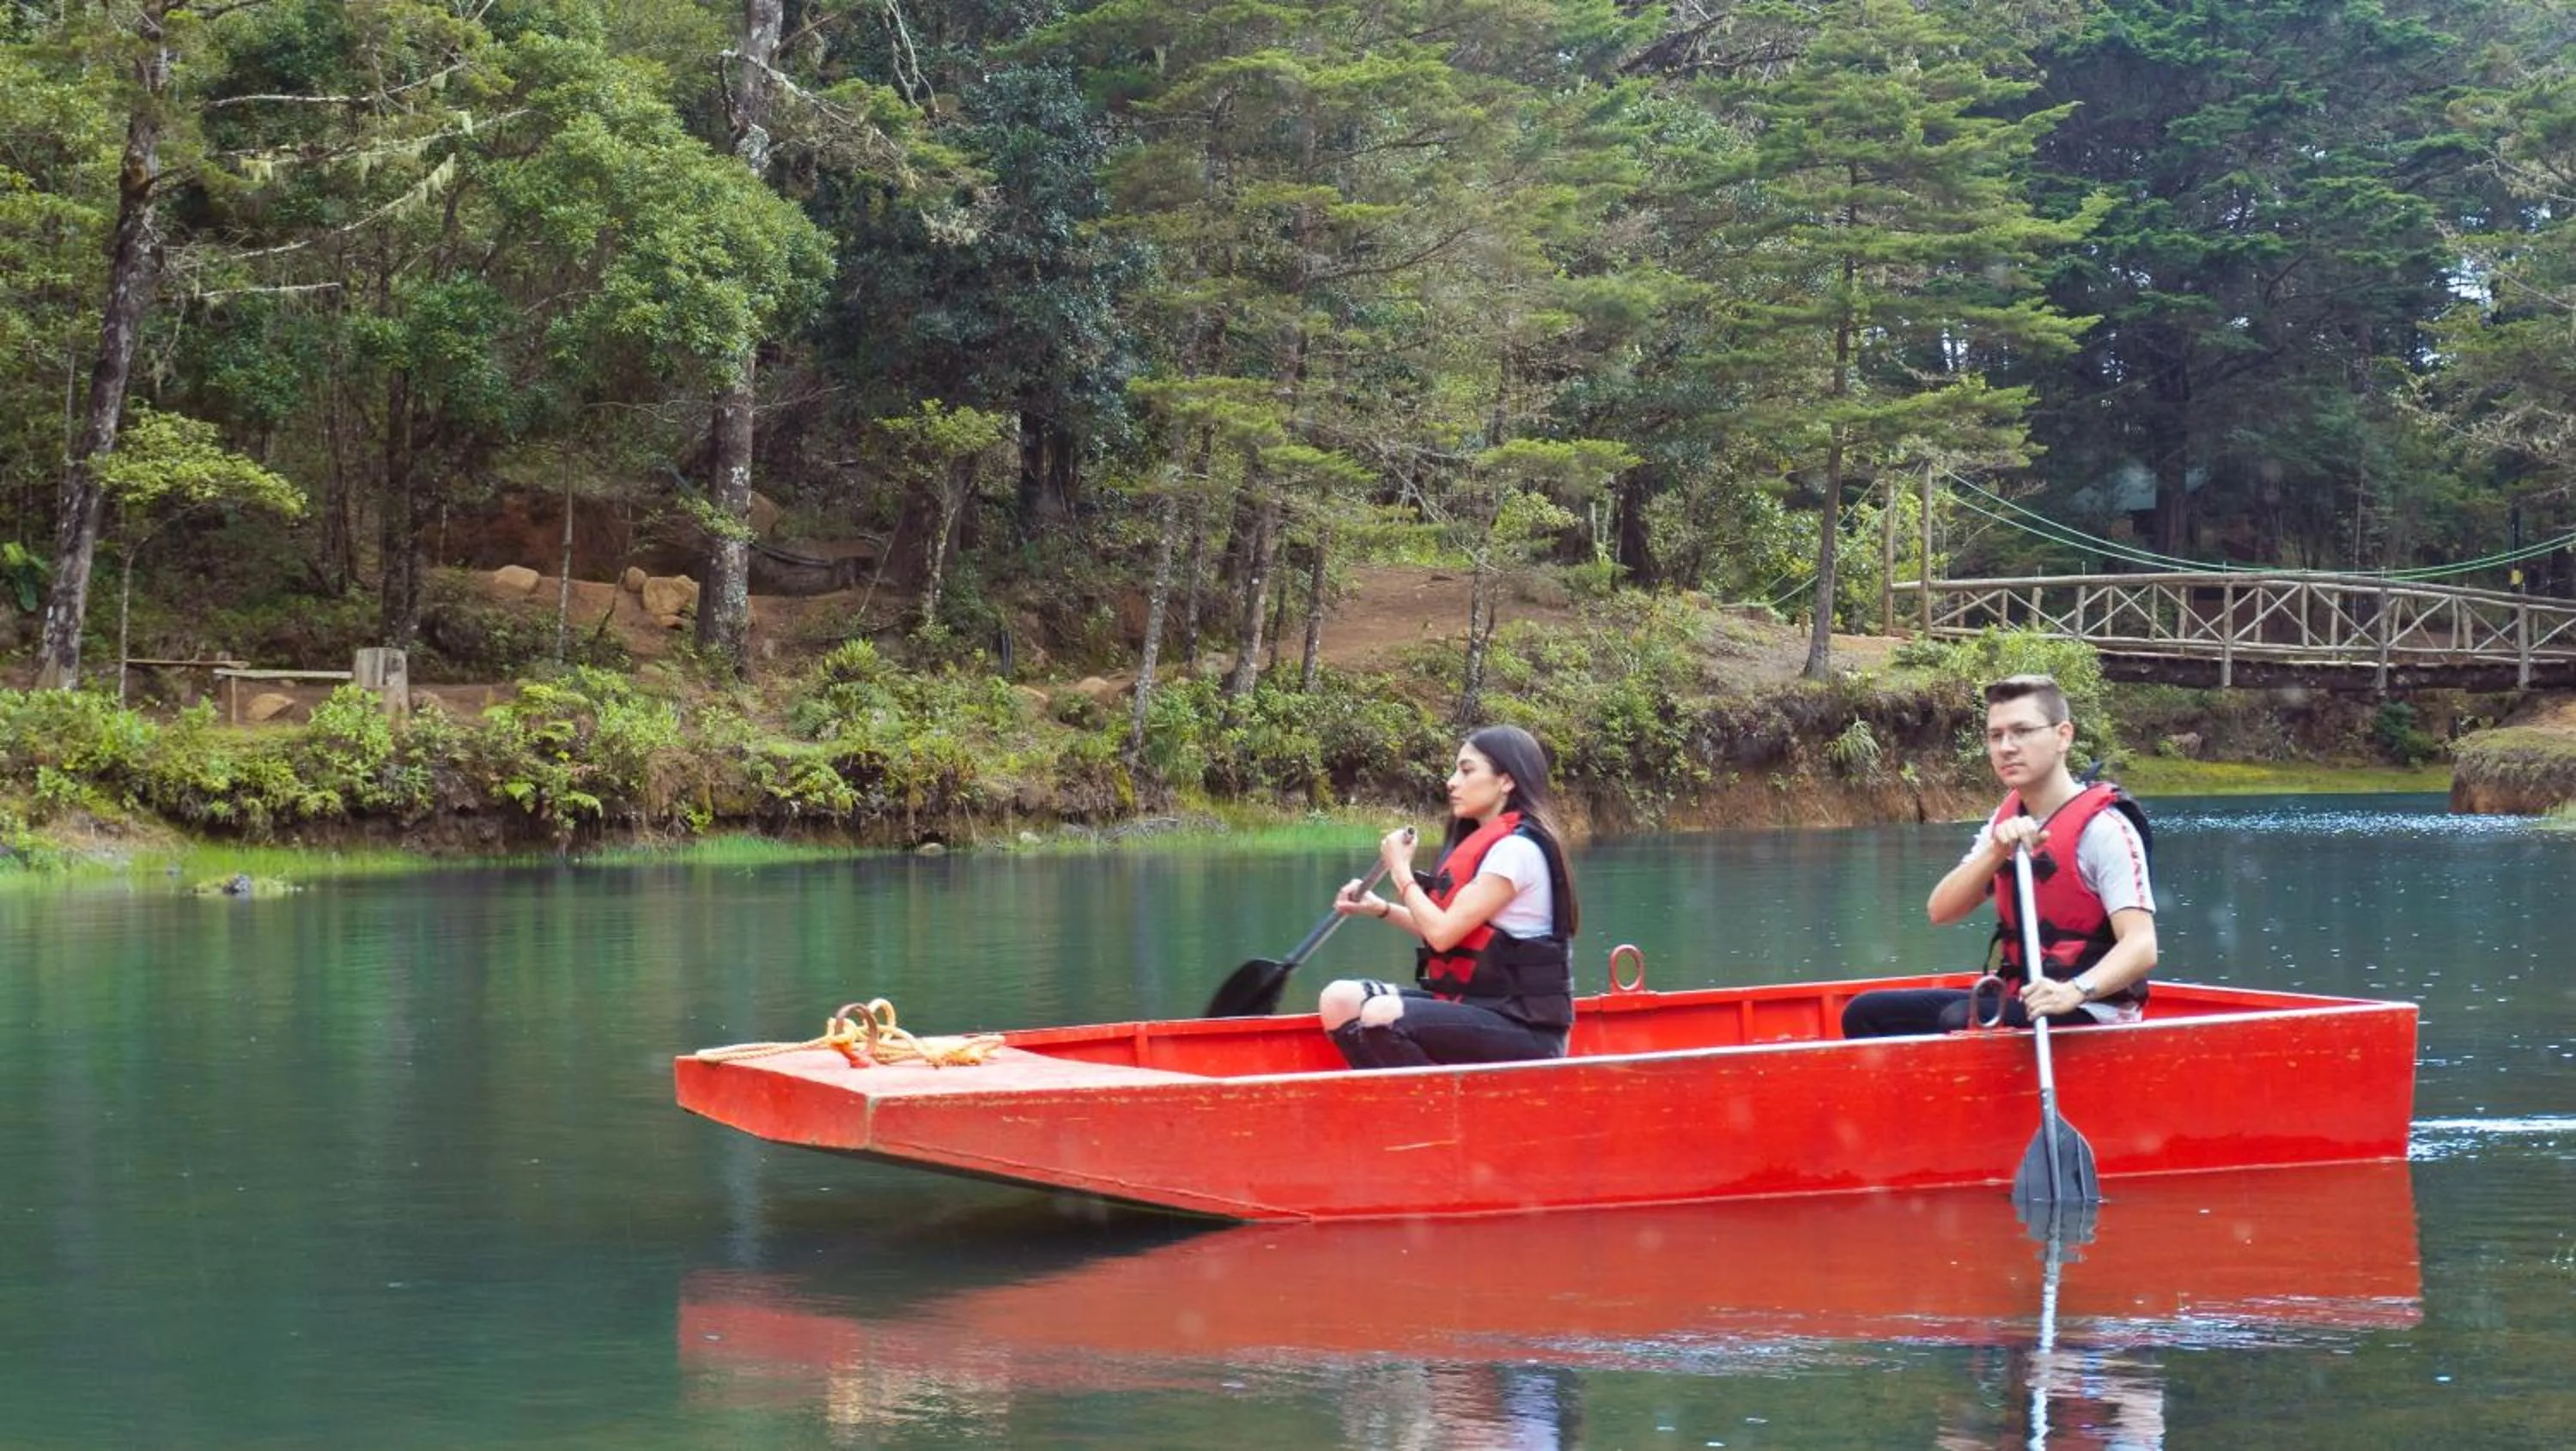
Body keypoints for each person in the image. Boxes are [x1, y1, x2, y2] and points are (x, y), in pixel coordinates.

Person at [1843, 674, 2157, 1038]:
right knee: (1866, 1013)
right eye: (1996, 735)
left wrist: (2073, 991)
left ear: (2063, 736)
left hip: (2091, 1008)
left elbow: (2141, 945)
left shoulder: (2105, 829)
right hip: (2020, 998)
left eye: (2022, 731)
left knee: (1960, 1018)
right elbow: (1941, 911)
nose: (2006, 747)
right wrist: (1997, 850)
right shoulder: (2005, 821)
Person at [1319, 724, 1580, 1068]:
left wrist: (1400, 871)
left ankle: (1432, 1117)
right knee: (1338, 1000)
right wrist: (1380, 908)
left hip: (1525, 1029)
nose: (1452, 781)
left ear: (1506, 780)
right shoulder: (1492, 845)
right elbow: (1453, 931)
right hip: (1475, 1004)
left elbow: (1441, 935)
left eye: (1467, 770)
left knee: (1383, 1015)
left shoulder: (1517, 850)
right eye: (1455, 769)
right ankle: (1399, 1108)